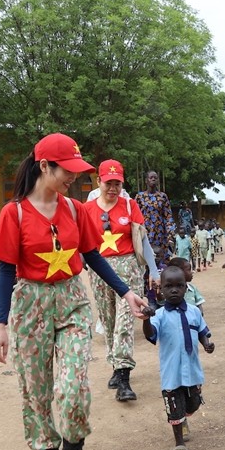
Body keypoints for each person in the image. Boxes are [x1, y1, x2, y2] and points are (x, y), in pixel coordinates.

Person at [0, 133, 148, 450]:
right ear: (44, 166)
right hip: (30, 305)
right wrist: (0, 325)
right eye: (67, 170)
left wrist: (126, 292)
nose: (73, 178)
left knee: (73, 385)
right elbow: (4, 271)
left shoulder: (75, 209)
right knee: (36, 391)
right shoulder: (13, 213)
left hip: (73, 300)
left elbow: (92, 256)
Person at [84, 159, 152, 402]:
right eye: (108, 183)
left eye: (117, 183)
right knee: (109, 319)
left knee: (124, 321)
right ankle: (115, 365)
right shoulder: (87, 209)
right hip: (99, 270)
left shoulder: (130, 205)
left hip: (129, 269)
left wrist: (152, 271)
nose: (113, 188)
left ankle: (124, 376)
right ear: (99, 181)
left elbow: (143, 242)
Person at [142, 266, 214, 450]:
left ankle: (184, 417)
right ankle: (179, 445)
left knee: (193, 403)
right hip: (172, 373)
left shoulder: (194, 312)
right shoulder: (159, 315)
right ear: (160, 290)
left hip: (192, 370)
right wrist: (146, 319)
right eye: (169, 286)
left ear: (186, 287)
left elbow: (201, 331)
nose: (174, 290)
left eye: (179, 286)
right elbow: (150, 334)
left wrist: (207, 344)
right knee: (174, 408)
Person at [135, 170, 176, 259]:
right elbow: (135, 215)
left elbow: (168, 216)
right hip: (144, 233)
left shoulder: (162, 196)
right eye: (151, 177)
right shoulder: (140, 197)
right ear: (146, 180)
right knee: (145, 259)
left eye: (155, 178)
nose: (153, 179)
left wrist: (170, 234)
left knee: (160, 260)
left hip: (160, 234)